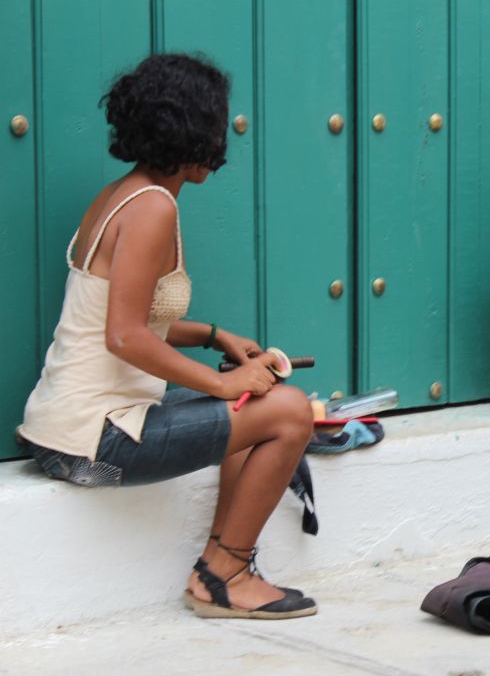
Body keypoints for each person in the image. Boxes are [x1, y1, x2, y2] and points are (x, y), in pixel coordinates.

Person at [18, 54, 317, 617]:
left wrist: (213, 336)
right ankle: (224, 576)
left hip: (65, 429)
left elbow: (128, 317)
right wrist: (222, 386)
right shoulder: (153, 207)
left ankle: (222, 567)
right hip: (93, 447)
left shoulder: (120, 194)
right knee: (291, 412)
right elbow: (125, 337)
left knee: (260, 399)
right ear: (191, 129)